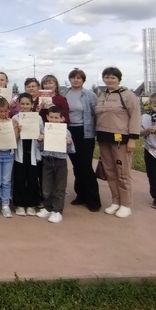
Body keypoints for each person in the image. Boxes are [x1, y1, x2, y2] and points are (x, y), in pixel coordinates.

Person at [95, 66, 141, 218]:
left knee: (122, 173)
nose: (109, 80)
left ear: (119, 79)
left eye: (112, 77)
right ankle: (115, 201)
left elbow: (135, 116)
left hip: (121, 139)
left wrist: (132, 139)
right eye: (106, 77)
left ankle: (126, 204)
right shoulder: (102, 95)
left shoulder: (127, 95)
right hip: (103, 139)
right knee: (109, 171)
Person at [65, 68, 101, 212]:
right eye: (73, 77)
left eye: (79, 78)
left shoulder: (90, 95)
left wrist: (97, 132)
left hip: (85, 133)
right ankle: (80, 195)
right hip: (69, 132)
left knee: (85, 166)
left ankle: (93, 200)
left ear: (83, 80)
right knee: (76, 166)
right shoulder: (64, 93)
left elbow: (96, 114)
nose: (76, 80)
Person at [36, 106, 75, 224]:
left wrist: (69, 143)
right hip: (47, 161)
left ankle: (57, 211)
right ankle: (48, 208)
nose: (53, 120)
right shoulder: (44, 131)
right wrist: (40, 140)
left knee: (59, 187)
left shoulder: (66, 132)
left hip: (60, 162)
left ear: (62, 119)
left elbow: (72, 150)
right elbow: (40, 148)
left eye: (56, 118)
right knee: (46, 187)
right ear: (47, 117)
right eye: (51, 117)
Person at [12, 93, 43, 217]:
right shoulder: (15, 118)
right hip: (20, 153)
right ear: (19, 104)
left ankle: (31, 204)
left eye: (27, 104)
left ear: (32, 104)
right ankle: (19, 204)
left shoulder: (38, 118)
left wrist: (41, 137)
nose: (25, 106)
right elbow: (12, 138)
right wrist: (17, 131)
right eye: (22, 104)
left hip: (33, 153)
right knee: (19, 179)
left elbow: (42, 133)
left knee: (32, 179)